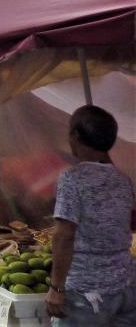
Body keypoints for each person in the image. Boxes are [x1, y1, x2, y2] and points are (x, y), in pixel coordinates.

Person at [46, 105, 136, 326]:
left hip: (86, 294)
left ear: (75, 136)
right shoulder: (124, 180)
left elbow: (64, 235)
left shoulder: (73, 178)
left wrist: (56, 287)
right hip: (126, 287)